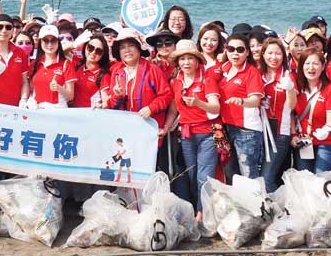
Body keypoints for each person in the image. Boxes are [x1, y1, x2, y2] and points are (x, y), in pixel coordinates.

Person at [106, 28, 175, 185]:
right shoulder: (117, 72)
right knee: (129, 169)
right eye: (122, 47)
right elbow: (112, 106)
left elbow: (166, 95)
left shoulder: (152, 70)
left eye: (131, 45)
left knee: (151, 170)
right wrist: (117, 95)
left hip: (149, 130)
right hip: (126, 132)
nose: (127, 50)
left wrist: (151, 108)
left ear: (139, 48)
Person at [165, 40, 221, 207]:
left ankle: (202, 215)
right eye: (182, 59)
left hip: (207, 134)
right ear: (177, 62)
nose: (186, 62)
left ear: (197, 61)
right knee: (191, 174)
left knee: (204, 177)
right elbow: (173, 110)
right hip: (187, 135)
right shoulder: (176, 82)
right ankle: (198, 209)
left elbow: (215, 107)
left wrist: (198, 103)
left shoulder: (207, 80)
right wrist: (165, 128)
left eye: (190, 58)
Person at [216, 33, 265, 181]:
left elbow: (255, 100)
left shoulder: (251, 72)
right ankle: (238, 203)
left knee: (248, 174)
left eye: (240, 49)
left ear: (247, 52)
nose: (235, 53)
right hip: (225, 128)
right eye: (231, 49)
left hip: (246, 130)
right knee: (230, 172)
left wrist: (241, 101)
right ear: (226, 50)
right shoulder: (223, 69)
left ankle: (254, 203)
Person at [292, 50, 331, 173]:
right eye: (307, 63)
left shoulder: (330, 89)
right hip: (304, 141)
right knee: (305, 179)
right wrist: (293, 135)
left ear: (323, 66)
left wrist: (326, 130)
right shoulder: (297, 88)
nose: (311, 68)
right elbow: (291, 113)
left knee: (321, 179)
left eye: (315, 63)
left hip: (327, 141)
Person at [259, 38, 297, 193]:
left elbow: (293, 105)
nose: (273, 57)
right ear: (263, 54)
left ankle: (278, 210)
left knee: (267, 177)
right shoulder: (257, 74)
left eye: (278, 53)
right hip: (258, 131)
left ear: (284, 55)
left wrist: (289, 89)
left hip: (280, 132)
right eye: (270, 53)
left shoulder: (287, 76)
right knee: (258, 176)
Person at [28, 25, 76, 108]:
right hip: (37, 111)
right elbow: (31, 89)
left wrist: (59, 88)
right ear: (40, 42)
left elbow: (70, 97)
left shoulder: (66, 64)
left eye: (53, 40)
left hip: (58, 112)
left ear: (58, 42)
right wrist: (30, 100)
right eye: (46, 41)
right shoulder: (34, 64)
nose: (50, 44)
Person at [72, 34, 113, 109]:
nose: (93, 52)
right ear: (85, 47)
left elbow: (106, 102)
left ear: (103, 55)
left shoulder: (103, 75)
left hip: (91, 116)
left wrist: (101, 106)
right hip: (73, 115)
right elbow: (58, 52)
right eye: (90, 48)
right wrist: (73, 45)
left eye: (98, 51)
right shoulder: (76, 65)